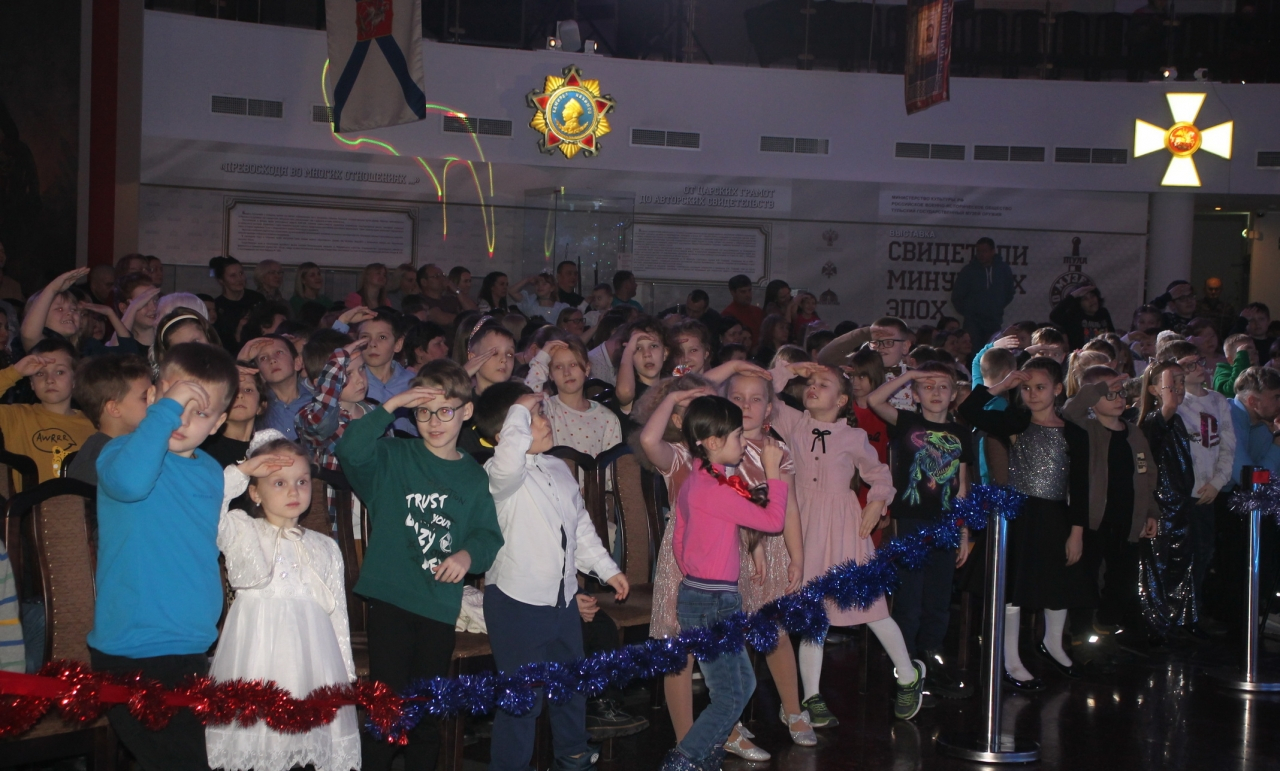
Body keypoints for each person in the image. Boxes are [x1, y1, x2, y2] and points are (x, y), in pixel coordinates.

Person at [335, 359, 503, 771]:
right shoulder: (393, 457)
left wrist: (467, 555)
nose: (433, 422)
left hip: (437, 606)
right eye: (423, 412)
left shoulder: (473, 477)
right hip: (391, 599)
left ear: (466, 411)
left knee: (427, 710)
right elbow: (350, 449)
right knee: (386, 708)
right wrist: (392, 406)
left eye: (445, 411)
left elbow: (487, 536)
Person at [87, 342, 239, 771]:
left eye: (199, 411)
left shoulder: (210, 472)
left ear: (219, 422)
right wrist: (166, 411)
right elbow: (131, 484)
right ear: (153, 397)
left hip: (192, 645)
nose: (183, 420)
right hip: (134, 648)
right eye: (175, 403)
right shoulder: (120, 452)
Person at [474, 382, 627, 771]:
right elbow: (509, 461)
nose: (544, 422)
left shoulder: (558, 469)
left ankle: (573, 754)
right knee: (523, 700)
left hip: (561, 602)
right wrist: (519, 412)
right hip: (516, 604)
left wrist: (607, 569)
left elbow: (580, 529)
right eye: (530, 418)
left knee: (570, 686)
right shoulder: (499, 475)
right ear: (506, 433)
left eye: (540, 413)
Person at [767, 361, 925, 723]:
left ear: (841, 400)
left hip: (842, 528)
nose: (813, 386)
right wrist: (789, 369)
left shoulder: (853, 437)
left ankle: (908, 674)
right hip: (804, 525)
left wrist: (878, 502)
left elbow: (879, 473)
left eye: (823, 384)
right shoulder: (794, 422)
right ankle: (811, 695)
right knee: (813, 612)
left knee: (871, 606)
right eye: (811, 382)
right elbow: (766, 395)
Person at [207, 435, 358, 771]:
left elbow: (337, 615)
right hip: (257, 655)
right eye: (279, 483)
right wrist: (242, 470)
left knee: (307, 746)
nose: (293, 491)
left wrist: (344, 675)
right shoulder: (241, 529)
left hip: (313, 659)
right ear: (255, 492)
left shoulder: (325, 546)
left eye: (301, 482)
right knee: (259, 738)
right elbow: (206, 503)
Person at [659, 395, 788, 771]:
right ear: (713, 442)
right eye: (737, 436)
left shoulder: (701, 481)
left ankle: (699, 755)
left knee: (741, 685)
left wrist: (696, 571)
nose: (744, 442)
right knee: (731, 695)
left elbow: (681, 537)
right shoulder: (714, 489)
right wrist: (773, 473)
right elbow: (773, 520)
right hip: (711, 601)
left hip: (707, 595)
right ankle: (685, 759)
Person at [958, 358, 1090, 691]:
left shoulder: (1075, 433)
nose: (1031, 393)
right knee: (1012, 588)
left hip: (1055, 515)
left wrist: (1077, 532)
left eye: (1040, 387)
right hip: (1018, 516)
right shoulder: (1015, 422)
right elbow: (968, 410)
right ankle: (1010, 660)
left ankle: (1053, 644)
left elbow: (1080, 487)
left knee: (1058, 582)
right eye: (1026, 388)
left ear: (1057, 389)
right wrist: (1001, 386)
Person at [867, 362, 972, 698]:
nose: (936, 392)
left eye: (943, 386)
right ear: (914, 394)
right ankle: (906, 663)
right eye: (928, 386)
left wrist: (964, 532)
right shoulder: (908, 423)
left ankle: (931, 657)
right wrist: (910, 376)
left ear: (953, 394)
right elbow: (874, 401)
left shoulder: (961, 433)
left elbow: (962, 485)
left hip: (946, 524)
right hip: (911, 521)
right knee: (910, 598)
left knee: (938, 598)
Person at [722, 370, 815, 751]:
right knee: (731, 634)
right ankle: (728, 718)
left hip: (772, 546)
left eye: (755, 399)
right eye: (738, 398)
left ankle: (792, 708)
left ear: (769, 409)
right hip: (729, 547)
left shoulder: (778, 449)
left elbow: (788, 507)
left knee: (775, 629)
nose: (746, 405)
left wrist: (797, 556)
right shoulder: (719, 447)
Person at [1061, 367, 1160, 653]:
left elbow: (1147, 475)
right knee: (1086, 578)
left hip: (1127, 520)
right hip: (1094, 520)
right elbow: (1069, 411)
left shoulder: (1134, 433)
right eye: (1109, 395)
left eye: (1120, 394)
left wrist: (1151, 511)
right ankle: (1080, 633)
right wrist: (1097, 389)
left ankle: (1106, 625)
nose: (1118, 399)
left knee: (1123, 580)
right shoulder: (1086, 429)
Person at [1161, 341, 1236, 611]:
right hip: (1180, 493)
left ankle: (1192, 612)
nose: (1197, 368)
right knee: (1178, 555)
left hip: (1207, 490)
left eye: (1199, 362)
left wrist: (1218, 482)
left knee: (1204, 552)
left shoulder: (1217, 400)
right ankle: (1173, 612)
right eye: (1188, 365)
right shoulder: (1175, 404)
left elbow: (1227, 444)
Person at [1137, 360, 1199, 643]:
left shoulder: (1179, 420)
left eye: (1182, 382)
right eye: (1172, 383)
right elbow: (1168, 408)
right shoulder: (1154, 420)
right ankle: (1156, 625)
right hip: (1161, 506)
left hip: (1180, 504)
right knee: (1157, 569)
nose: (1179, 389)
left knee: (1182, 565)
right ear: (1154, 389)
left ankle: (1181, 619)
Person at [0, 339, 95, 484]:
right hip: (32, 498)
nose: (49, 380)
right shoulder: (16, 417)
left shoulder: (94, 425)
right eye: (40, 374)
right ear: (31, 383)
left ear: (75, 379)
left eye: (59, 372)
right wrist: (15, 371)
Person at [523, 338, 622, 457]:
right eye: (558, 367)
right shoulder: (546, 409)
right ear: (550, 375)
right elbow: (525, 399)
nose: (567, 373)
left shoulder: (607, 418)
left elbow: (612, 464)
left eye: (573, 365)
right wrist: (542, 358)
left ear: (587, 368)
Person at [66, 354, 153, 485]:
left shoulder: (141, 445)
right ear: (114, 409)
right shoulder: (94, 463)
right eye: (145, 398)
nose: (155, 402)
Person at [297, 331, 374, 472]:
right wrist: (338, 362)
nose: (360, 379)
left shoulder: (374, 410)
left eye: (362, 368)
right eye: (348, 374)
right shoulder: (309, 415)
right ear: (320, 383)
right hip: (338, 486)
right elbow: (323, 421)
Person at [340, 309, 415, 435]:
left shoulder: (412, 381)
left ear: (398, 344)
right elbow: (327, 359)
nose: (372, 344)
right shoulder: (353, 382)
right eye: (365, 337)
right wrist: (343, 322)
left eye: (382, 337)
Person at [242, 334, 311, 441]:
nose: (272, 360)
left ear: (297, 362)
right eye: (263, 358)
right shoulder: (255, 406)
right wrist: (242, 359)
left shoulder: (316, 402)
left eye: (279, 353)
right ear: (259, 372)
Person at [950, 237, 1016, 348]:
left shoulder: (1003, 270)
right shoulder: (968, 271)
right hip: (973, 323)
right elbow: (957, 296)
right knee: (972, 351)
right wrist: (970, 313)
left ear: (992, 251)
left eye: (984, 251)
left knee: (992, 351)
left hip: (994, 321)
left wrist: (996, 307)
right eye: (978, 251)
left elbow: (1009, 293)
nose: (981, 254)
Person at [202, 367, 267, 468]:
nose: (240, 394)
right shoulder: (203, 445)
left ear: (261, 406)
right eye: (233, 390)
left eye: (248, 390)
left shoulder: (268, 448)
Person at [20, 268, 86, 355]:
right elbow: (29, 335)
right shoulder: (41, 348)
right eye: (60, 309)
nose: (70, 313)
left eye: (73, 309)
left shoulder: (80, 350)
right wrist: (52, 289)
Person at [210, 257, 266, 353]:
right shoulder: (217, 306)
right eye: (233, 276)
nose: (239, 279)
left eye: (241, 273)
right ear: (221, 280)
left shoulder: (257, 299)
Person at [1050, 283, 1115, 351]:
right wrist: (1073, 295)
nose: (1091, 300)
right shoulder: (1073, 317)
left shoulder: (1103, 313)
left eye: (1092, 296)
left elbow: (1112, 335)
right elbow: (1054, 315)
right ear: (1078, 303)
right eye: (1085, 299)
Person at [871, 317, 916, 410]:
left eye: (888, 342)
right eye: (876, 343)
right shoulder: (861, 377)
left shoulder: (916, 379)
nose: (881, 347)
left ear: (905, 346)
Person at [721, 274, 763, 344]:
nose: (748, 295)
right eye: (743, 292)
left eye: (749, 290)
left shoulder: (758, 311)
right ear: (733, 292)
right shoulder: (727, 314)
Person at [1213, 333, 1257, 398]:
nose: (1250, 356)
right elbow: (1229, 391)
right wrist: (1242, 356)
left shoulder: (1257, 372)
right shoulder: (1222, 374)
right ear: (1230, 360)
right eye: (1245, 353)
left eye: (1253, 352)